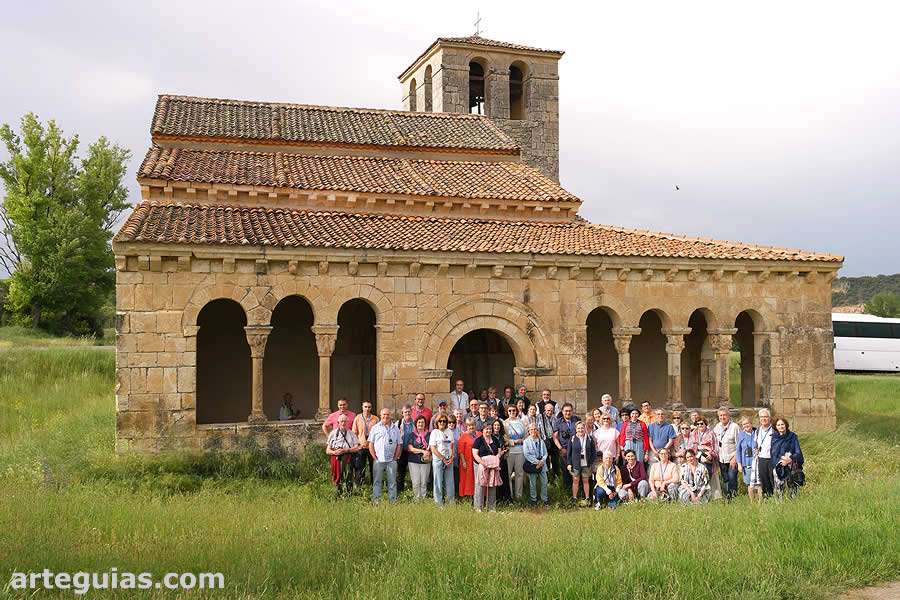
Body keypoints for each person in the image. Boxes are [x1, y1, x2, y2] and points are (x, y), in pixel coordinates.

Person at [368, 408, 402, 504]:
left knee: (392, 482)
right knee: (377, 482)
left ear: (390, 415)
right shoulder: (375, 428)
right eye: (383, 414)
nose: (385, 416)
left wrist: (395, 458)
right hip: (379, 460)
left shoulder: (395, 428)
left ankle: (393, 501)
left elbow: (399, 444)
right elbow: (370, 443)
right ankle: (377, 501)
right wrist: (374, 457)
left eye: (387, 414)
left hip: (391, 460)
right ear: (380, 415)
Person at [472, 417, 505, 512]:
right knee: (480, 485)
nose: (489, 431)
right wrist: (483, 463)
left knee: (492, 485)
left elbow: (499, 452)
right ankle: (478, 507)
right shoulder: (478, 440)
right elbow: (475, 454)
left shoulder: (495, 440)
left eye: (490, 429)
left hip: (492, 466)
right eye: (487, 429)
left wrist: (494, 460)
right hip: (480, 465)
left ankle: (491, 508)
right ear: (482, 430)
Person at [325, 413, 360, 497]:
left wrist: (347, 450)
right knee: (338, 476)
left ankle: (349, 495)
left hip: (348, 456)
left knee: (349, 476)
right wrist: (334, 452)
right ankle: (338, 495)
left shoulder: (351, 434)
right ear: (338, 422)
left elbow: (357, 447)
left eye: (345, 421)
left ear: (348, 422)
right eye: (341, 421)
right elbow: (327, 450)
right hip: (337, 457)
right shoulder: (333, 434)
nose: (343, 423)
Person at [771, 417, 804, 499]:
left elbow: (798, 451)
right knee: (779, 488)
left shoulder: (793, 436)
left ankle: (794, 506)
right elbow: (773, 452)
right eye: (778, 425)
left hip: (791, 464)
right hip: (779, 464)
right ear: (776, 427)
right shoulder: (774, 437)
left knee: (792, 488)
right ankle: (780, 507)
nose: (781, 426)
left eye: (782, 424)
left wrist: (790, 459)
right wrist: (783, 459)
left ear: (786, 425)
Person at [689, 417, 721, 499]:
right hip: (696, 457)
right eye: (698, 424)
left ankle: (712, 496)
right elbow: (691, 446)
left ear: (705, 424)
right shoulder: (693, 433)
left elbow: (715, 447)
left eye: (701, 423)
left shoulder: (711, 433)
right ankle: (700, 496)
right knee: (698, 477)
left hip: (707, 458)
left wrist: (711, 454)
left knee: (708, 477)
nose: (700, 425)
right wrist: (701, 447)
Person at [713, 407, 741, 500]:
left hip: (732, 458)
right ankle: (727, 497)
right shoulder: (717, 427)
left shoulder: (735, 427)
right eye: (720, 415)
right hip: (721, 459)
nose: (722, 417)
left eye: (724, 415)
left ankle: (733, 498)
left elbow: (739, 444)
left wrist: (735, 458)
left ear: (728, 416)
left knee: (732, 479)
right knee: (725, 479)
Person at [567, 421, 596, 505]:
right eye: (578, 428)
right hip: (575, 462)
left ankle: (587, 498)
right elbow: (569, 452)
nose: (580, 430)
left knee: (585, 480)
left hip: (586, 463)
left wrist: (591, 461)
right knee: (575, 480)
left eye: (582, 428)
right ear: (576, 429)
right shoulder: (572, 439)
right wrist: (569, 463)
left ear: (585, 429)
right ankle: (574, 498)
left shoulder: (589, 438)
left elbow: (593, 451)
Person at [429, 415, 455, 507]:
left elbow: (452, 445)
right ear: (437, 422)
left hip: (449, 459)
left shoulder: (449, 432)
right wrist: (442, 459)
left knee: (450, 482)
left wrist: (452, 457)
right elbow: (433, 448)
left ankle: (451, 503)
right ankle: (439, 504)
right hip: (439, 460)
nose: (442, 423)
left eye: (444, 421)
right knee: (438, 482)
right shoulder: (434, 433)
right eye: (440, 421)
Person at [553, 403, 581, 490]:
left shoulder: (577, 420)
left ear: (572, 411)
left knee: (576, 470)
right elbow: (555, 437)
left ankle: (577, 490)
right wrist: (560, 448)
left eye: (569, 411)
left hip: (576, 450)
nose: (568, 413)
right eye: (566, 411)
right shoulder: (558, 422)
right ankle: (567, 490)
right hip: (564, 450)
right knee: (566, 471)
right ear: (562, 411)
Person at [404, 415, 431, 500]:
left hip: (425, 461)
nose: (421, 424)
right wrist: (422, 451)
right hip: (413, 461)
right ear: (416, 424)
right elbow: (410, 448)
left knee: (424, 481)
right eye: (419, 422)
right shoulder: (412, 435)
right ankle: (417, 498)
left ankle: (423, 497)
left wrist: (428, 452)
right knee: (416, 482)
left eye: (422, 422)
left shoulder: (429, 435)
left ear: (425, 424)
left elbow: (432, 446)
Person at [523, 423, 550, 507]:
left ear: (537, 431)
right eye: (531, 429)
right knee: (533, 483)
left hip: (542, 465)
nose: (533, 431)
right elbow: (527, 454)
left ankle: (544, 499)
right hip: (532, 465)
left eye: (535, 429)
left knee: (544, 482)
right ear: (528, 431)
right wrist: (537, 463)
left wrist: (542, 462)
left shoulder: (541, 441)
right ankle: (533, 500)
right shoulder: (526, 442)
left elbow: (545, 453)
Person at [352, 400, 379, 484]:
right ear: (362, 407)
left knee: (373, 468)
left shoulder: (375, 419)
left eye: (369, 407)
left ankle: (373, 485)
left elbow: (378, 433)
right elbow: (354, 433)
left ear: (371, 408)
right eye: (365, 407)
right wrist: (357, 445)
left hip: (372, 447)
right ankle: (361, 485)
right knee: (360, 468)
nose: (367, 409)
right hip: (361, 447)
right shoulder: (357, 418)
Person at [504, 405, 526, 500]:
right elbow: (504, 439)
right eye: (510, 411)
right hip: (510, 452)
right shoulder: (505, 423)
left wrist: (523, 441)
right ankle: (510, 495)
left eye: (514, 410)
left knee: (519, 474)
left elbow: (526, 435)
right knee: (508, 474)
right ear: (507, 412)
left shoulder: (521, 422)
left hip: (521, 451)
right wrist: (514, 442)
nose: (512, 412)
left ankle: (519, 496)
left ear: (516, 411)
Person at [735, 416, 759, 502]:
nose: (746, 425)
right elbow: (738, 450)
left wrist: (758, 450)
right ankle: (752, 502)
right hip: (746, 463)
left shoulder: (757, 432)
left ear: (751, 424)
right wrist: (739, 464)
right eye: (744, 424)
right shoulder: (741, 435)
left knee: (759, 483)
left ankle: (760, 501)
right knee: (750, 484)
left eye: (747, 423)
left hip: (757, 462)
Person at [753, 408, 776, 498]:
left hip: (772, 459)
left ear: (769, 418)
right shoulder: (758, 431)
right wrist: (755, 449)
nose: (763, 419)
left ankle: (777, 499)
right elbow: (755, 444)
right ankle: (767, 499)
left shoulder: (774, 430)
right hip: (761, 459)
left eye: (766, 417)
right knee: (764, 481)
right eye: (761, 417)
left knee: (773, 480)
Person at [458, 418, 481, 501]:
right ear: (466, 427)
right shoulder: (463, 436)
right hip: (467, 461)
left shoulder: (480, 435)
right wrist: (463, 461)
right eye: (469, 425)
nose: (471, 427)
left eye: (473, 425)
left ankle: (478, 496)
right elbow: (460, 451)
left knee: (477, 478)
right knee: (467, 479)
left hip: (478, 460)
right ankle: (468, 497)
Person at [395, 404, 415, 493]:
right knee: (400, 473)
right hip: (402, 452)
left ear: (411, 412)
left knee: (414, 473)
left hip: (413, 452)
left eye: (409, 411)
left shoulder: (415, 422)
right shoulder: (398, 423)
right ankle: (400, 492)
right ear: (402, 413)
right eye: (405, 412)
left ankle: (414, 492)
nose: (407, 413)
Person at [493, 419, 512, 503]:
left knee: (504, 480)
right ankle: (497, 499)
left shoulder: (503, 437)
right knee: (495, 481)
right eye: (495, 425)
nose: (497, 427)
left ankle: (507, 499)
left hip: (503, 461)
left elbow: (507, 448)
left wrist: (504, 452)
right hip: (493, 462)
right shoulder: (490, 437)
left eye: (498, 425)